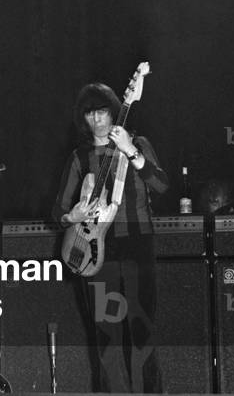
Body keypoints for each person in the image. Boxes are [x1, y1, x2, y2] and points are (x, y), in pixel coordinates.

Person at [53, 82, 168, 392]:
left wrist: (131, 150)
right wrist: (72, 217)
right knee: (107, 337)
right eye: (90, 114)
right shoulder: (80, 156)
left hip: (137, 245)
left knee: (141, 331)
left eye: (102, 111)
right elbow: (58, 212)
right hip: (97, 252)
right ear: (83, 119)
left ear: (114, 111)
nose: (98, 120)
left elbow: (160, 185)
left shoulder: (138, 143)